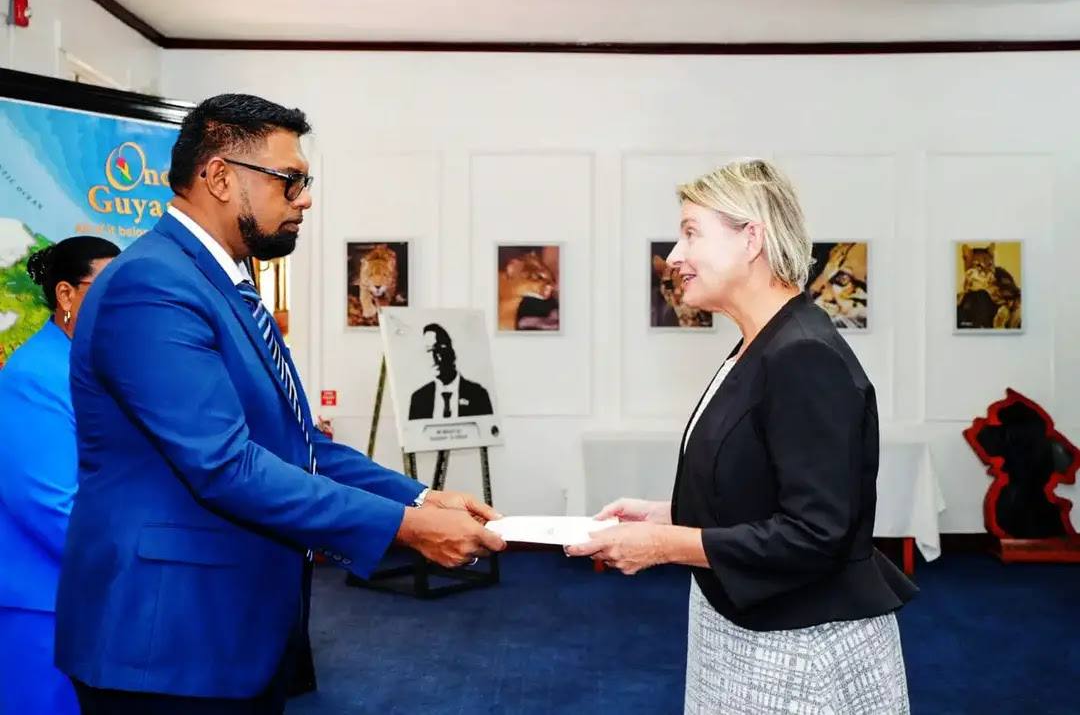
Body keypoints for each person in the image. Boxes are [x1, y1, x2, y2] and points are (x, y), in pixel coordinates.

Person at [53, 93, 506, 715]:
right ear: (218, 177)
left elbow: (298, 444)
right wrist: (409, 529)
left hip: (229, 627)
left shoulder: (221, 284)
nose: (305, 199)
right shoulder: (151, 285)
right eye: (290, 181)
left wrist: (420, 497)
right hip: (165, 643)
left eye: (305, 181)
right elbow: (227, 466)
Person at [566, 158, 918, 714]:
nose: (675, 255)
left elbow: (816, 533)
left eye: (690, 233)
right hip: (749, 624)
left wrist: (665, 545)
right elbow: (763, 486)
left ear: (751, 237)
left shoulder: (802, 354)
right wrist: (669, 515)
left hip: (799, 650)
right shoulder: (760, 344)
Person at [0, 236, 120, 715]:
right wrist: (135, 571)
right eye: (106, 286)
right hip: (42, 605)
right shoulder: (33, 375)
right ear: (66, 295)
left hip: (87, 596)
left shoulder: (94, 361)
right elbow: (50, 506)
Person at [408, 322, 494, 419]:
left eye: (438, 349)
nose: (434, 358)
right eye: (429, 350)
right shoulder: (418, 399)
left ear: (451, 352)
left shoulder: (478, 395)